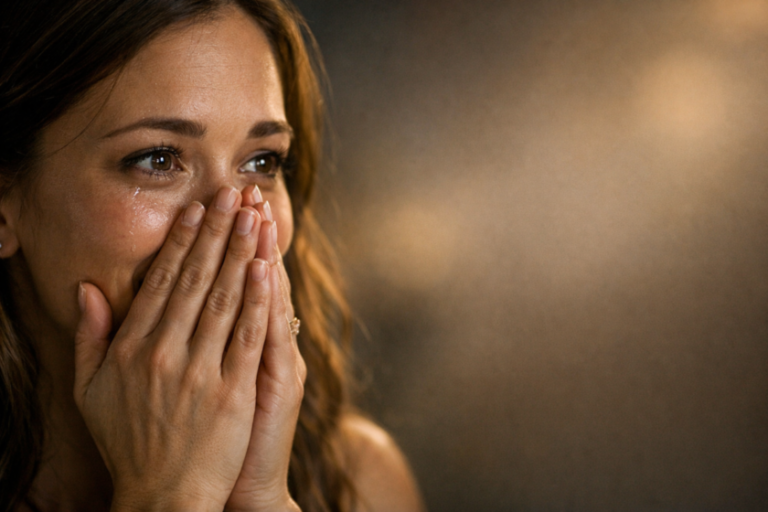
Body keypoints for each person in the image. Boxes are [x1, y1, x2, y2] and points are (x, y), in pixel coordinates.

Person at [0, 1, 425, 511]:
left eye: (262, 161)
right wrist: (171, 496)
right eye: (158, 159)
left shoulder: (360, 482)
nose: (235, 222)